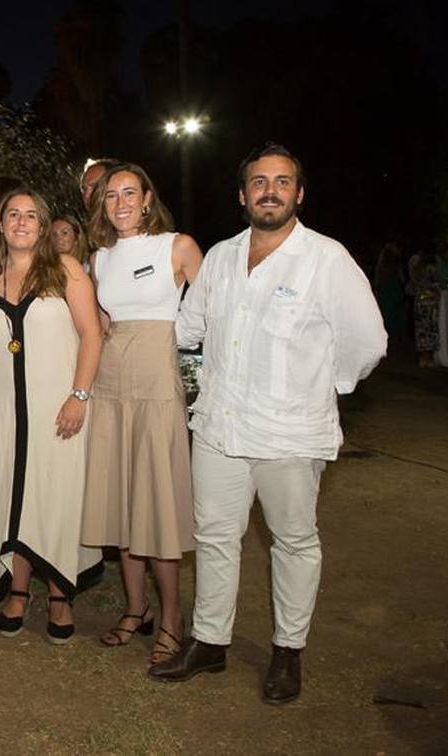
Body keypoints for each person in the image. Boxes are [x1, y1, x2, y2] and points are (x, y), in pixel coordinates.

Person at [150, 143, 387, 705]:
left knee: (294, 541)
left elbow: (368, 341)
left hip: (290, 434)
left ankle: (288, 651)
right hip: (220, 428)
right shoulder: (222, 257)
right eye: (259, 182)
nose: (270, 191)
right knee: (214, 537)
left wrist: (322, 387)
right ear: (243, 195)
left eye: (282, 182)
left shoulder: (326, 259)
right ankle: (210, 641)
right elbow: (190, 327)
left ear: (299, 194)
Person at [0, 188, 102, 644]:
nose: (21, 223)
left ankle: (61, 595)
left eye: (30, 216)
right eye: (13, 215)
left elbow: (92, 335)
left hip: (57, 407)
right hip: (4, 409)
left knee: (56, 495)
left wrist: (79, 396)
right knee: (12, 496)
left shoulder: (66, 270)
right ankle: (18, 591)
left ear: (42, 226)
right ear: (0, 224)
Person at [82, 163, 203, 665]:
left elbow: (212, 314)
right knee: (121, 501)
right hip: (110, 387)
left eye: (130, 193)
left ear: (148, 197)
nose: (121, 203)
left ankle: (173, 618)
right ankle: (136, 609)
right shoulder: (99, 258)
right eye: (111, 196)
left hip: (157, 385)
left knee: (157, 505)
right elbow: (100, 327)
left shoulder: (178, 246)